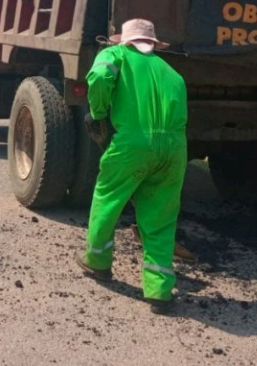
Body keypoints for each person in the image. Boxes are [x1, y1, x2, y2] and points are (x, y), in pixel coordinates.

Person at [76, 19, 188, 315]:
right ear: (154, 44)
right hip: (175, 149)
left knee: (108, 201)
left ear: (124, 41)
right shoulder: (172, 72)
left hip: (133, 145)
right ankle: (160, 291)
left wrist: (99, 113)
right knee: (161, 218)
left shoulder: (115, 55)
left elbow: (99, 76)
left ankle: (97, 261)